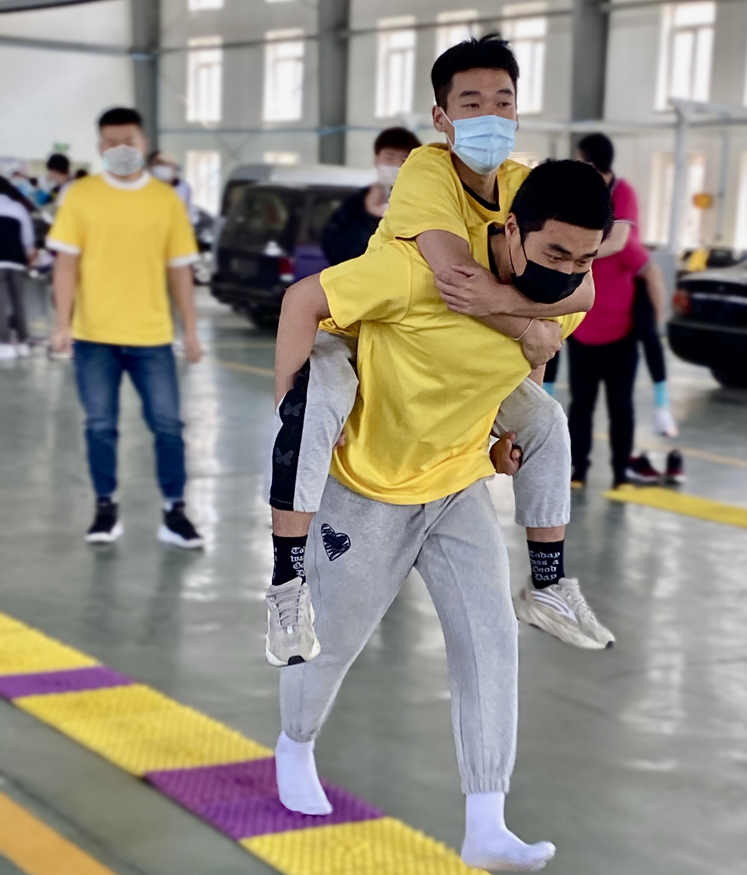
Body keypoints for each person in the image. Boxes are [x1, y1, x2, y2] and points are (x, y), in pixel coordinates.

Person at [271, 161, 613, 873]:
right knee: (332, 642)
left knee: (491, 644)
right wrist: (292, 412)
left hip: (457, 486)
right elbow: (302, 300)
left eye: (584, 260)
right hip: (370, 485)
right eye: (555, 253)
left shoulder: (562, 301)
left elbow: (522, 369)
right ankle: (294, 744)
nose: (568, 273)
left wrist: (501, 436)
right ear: (511, 229)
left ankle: (487, 823)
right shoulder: (411, 272)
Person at [265, 36, 612, 668]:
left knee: (546, 421)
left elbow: (578, 287)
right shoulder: (428, 172)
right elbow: (458, 281)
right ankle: (287, 584)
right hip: (363, 331)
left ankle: (549, 584)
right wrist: (528, 322)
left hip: (458, 352)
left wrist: (515, 392)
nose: (491, 116)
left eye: (503, 101)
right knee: (313, 406)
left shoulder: (523, 184)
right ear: (442, 116)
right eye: (471, 103)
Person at [47, 107, 205, 548]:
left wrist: (191, 330)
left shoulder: (165, 200)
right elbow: (65, 265)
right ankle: (105, 508)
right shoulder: (81, 196)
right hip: (93, 336)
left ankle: (174, 512)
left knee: (168, 426)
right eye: (111, 142)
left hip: (152, 337)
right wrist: (61, 323)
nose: (120, 149)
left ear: (143, 142)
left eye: (128, 141)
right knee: (100, 426)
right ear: (100, 146)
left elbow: (180, 271)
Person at [576, 133, 680, 440]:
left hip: (628, 285)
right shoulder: (584, 194)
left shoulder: (623, 194)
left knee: (648, 336)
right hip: (592, 301)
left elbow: (621, 243)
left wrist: (657, 318)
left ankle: (662, 406)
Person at [321, 127, 422, 266]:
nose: (396, 165)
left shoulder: (421, 203)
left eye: (404, 159)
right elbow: (336, 251)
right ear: (376, 159)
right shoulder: (354, 204)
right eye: (389, 158)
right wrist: (369, 215)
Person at [0, 177, 36, 359]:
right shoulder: (19, 208)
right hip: (17, 262)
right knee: (18, 303)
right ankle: (23, 341)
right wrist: (30, 261)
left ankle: (4, 343)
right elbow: (28, 240)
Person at [148, 151, 195, 221]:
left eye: (164, 164)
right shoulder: (148, 187)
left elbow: (188, 213)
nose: (161, 168)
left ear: (174, 167)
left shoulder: (184, 187)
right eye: (157, 164)